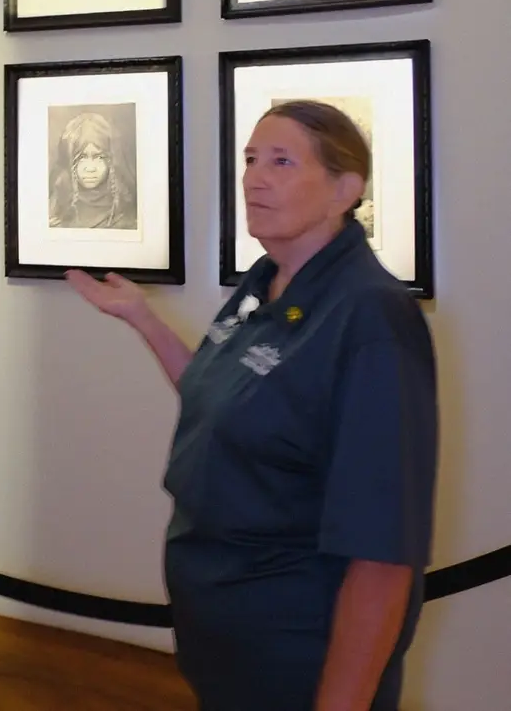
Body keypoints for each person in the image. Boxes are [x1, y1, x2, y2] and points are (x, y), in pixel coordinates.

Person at [65, 100, 438, 711]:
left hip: (297, 655)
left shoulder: (371, 317)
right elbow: (220, 399)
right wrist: (143, 319)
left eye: (283, 161)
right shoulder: (268, 279)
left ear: (345, 189)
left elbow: (382, 555)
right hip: (226, 642)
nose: (255, 178)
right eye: (250, 159)